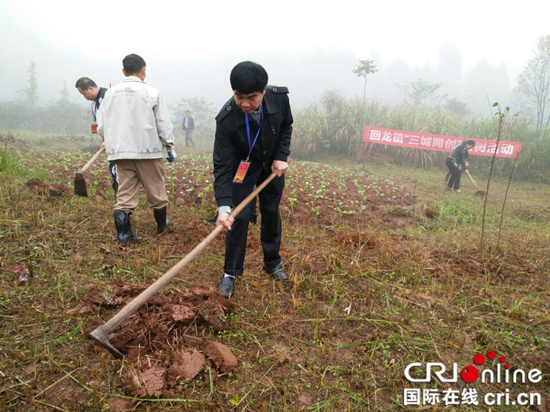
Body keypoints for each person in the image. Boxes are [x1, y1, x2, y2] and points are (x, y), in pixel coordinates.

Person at [213, 61, 292, 298]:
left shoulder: (279, 98)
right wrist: (224, 207)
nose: (245, 103)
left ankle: (272, 262)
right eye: (239, 96)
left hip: (271, 168)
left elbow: (286, 126)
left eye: (252, 97)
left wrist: (280, 156)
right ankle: (231, 273)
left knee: (271, 212)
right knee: (238, 217)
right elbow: (223, 166)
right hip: (242, 170)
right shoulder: (226, 120)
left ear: (264, 91)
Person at [97, 54, 176, 242]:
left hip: (121, 153)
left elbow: (101, 126)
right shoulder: (152, 93)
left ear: (124, 71)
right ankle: (162, 226)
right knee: (156, 191)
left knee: (124, 194)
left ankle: (124, 235)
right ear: (144, 70)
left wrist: (112, 141)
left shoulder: (109, 94)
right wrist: (170, 146)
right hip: (148, 151)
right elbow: (163, 123)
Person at [75, 77, 119, 194]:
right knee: (115, 169)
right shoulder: (98, 100)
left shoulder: (106, 97)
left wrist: (108, 138)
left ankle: (121, 203)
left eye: (84, 94)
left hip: (117, 142)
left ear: (90, 88)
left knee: (116, 170)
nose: (85, 97)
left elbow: (112, 122)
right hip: (111, 140)